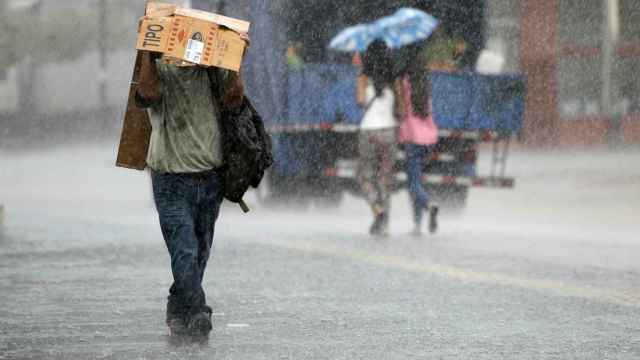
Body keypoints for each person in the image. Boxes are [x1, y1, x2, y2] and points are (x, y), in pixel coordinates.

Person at [135, 43, 247, 337]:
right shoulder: (157, 69)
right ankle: (198, 310)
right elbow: (147, 93)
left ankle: (177, 305)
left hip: (210, 177)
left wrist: (235, 58)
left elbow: (235, 97)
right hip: (170, 178)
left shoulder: (212, 70)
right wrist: (147, 52)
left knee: (199, 251)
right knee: (184, 248)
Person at [356, 40, 399, 237]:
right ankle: (385, 224)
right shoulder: (393, 79)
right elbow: (401, 108)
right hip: (389, 132)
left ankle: (377, 210)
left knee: (365, 177)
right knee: (385, 179)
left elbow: (360, 101)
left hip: (369, 131)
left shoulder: (364, 76)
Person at [397, 57, 439, 236]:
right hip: (429, 139)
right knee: (417, 181)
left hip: (412, 138)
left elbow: (401, 110)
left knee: (413, 184)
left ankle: (429, 205)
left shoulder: (406, 85)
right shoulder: (426, 87)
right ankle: (417, 225)